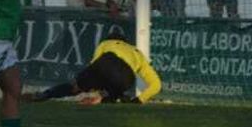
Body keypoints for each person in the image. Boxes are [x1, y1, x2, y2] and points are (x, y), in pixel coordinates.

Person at [30, 29, 160, 105]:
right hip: (126, 78)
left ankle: (46, 94)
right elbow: (156, 85)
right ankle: (106, 97)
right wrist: (139, 100)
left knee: (75, 87)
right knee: (113, 92)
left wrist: (86, 85)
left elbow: (95, 65)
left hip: (107, 63)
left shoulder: (107, 43)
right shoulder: (139, 54)